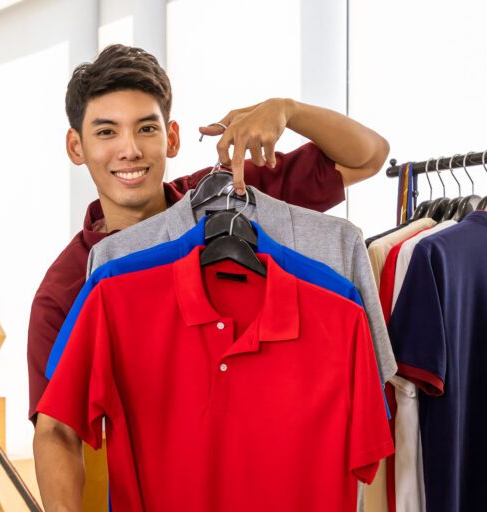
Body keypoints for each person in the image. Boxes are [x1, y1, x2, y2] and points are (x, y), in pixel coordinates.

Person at [30, 44, 390, 510]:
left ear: (172, 138)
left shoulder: (237, 191)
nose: (130, 150)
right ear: (76, 146)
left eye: (146, 128)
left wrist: (288, 109)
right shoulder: (69, 288)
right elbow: (55, 431)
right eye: (106, 131)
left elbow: (369, 156)